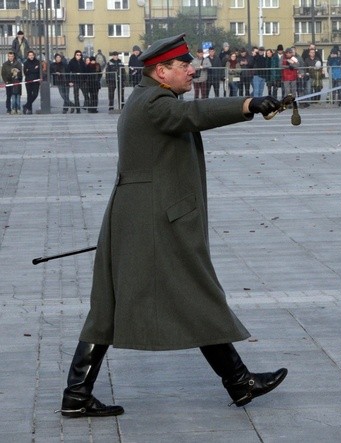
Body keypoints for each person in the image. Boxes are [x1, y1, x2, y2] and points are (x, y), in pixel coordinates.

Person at [58, 33, 287, 419]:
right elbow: (192, 116)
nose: (192, 70)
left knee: (119, 305)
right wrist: (248, 104)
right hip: (155, 220)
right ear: (161, 72)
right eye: (184, 66)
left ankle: (77, 395)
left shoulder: (147, 98)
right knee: (190, 293)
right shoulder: (154, 102)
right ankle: (239, 380)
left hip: (142, 216)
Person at [22, 50, 41, 114]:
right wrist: (34, 69)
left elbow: (38, 71)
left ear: (34, 55)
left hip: (36, 81)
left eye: (32, 55)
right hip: (28, 81)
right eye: (30, 55)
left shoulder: (37, 62)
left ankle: (26, 106)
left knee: (35, 94)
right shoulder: (26, 63)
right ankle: (29, 109)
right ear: (28, 56)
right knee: (29, 95)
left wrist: (30, 70)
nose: (31, 56)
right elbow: (25, 72)